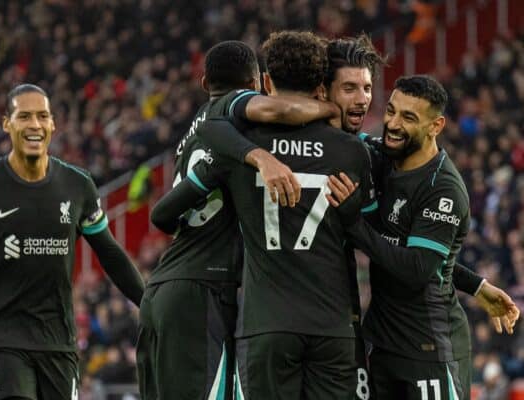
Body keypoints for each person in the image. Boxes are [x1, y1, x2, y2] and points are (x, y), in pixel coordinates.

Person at [151, 31, 377, 400]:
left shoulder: (240, 144)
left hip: (266, 322)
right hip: (333, 323)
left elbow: (164, 212)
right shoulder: (353, 152)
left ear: (267, 83)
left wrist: (258, 157)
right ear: (321, 87)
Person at [0, 84, 145, 400]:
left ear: (53, 124)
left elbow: (109, 253)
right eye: (24, 116)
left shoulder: (78, 185)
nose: (34, 125)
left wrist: (148, 305)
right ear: (7, 124)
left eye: (42, 116)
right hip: (3, 335)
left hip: (58, 337)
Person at [328, 75, 520, 399]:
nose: (393, 123)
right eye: (391, 111)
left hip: (427, 348)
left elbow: (417, 268)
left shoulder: (443, 189)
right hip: (381, 342)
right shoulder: (384, 157)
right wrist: (476, 284)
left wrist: (353, 223)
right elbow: (410, 248)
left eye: (409, 117)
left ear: (436, 126)